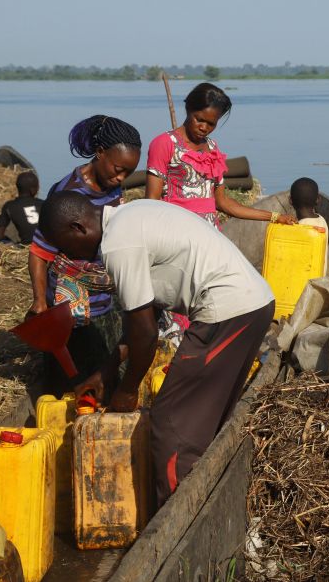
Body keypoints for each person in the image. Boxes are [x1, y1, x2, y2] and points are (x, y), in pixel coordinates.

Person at [37, 192, 275, 505]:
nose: (76, 258)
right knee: (208, 415)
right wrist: (107, 371)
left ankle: (177, 513)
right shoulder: (131, 215)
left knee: (170, 419)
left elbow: (146, 333)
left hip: (226, 311)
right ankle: (209, 496)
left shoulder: (117, 243)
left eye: (67, 247)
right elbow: (140, 321)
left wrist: (127, 388)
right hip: (252, 304)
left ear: (78, 228)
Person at [28, 115, 141, 392]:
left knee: (107, 368)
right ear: (100, 153)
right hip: (71, 301)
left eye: (128, 172)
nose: (121, 178)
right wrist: (39, 301)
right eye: (118, 169)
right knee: (70, 376)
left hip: (107, 293)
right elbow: (40, 251)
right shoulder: (68, 194)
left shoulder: (113, 185)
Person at [145, 82, 295, 226]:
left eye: (211, 124)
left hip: (209, 234)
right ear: (188, 109)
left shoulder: (212, 147)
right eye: (199, 120)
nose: (204, 127)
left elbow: (222, 202)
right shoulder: (165, 143)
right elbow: (152, 201)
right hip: (176, 231)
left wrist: (275, 216)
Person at [0, 171, 43, 244]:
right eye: (37, 187)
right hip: (47, 245)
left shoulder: (9, 206)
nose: (38, 188)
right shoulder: (44, 204)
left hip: (28, 247)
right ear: (32, 190)